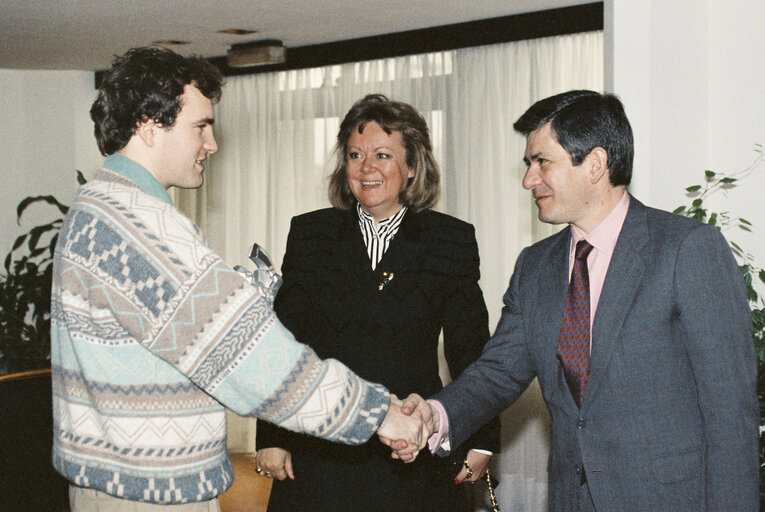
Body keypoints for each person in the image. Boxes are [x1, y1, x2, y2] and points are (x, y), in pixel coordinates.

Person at [50, 47, 423, 511]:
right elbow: (248, 357)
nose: (212, 144)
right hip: (146, 494)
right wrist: (378, 413)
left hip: (112, 482)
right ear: (148, 124)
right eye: (201, 126)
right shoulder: (139, 223)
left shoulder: (97, 203)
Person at [388, 90, 759, 511]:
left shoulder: (686, 249)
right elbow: (497, 373)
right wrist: (435, 414)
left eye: (542, 162)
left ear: (595, 164)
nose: (529, 179)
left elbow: (731, 417)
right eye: (528, 164)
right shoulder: (535, 266)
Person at [254, 94, 500, 512]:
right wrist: (272, 436)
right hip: (320, 449)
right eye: (354, 155)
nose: (366, 168)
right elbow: (283, 341)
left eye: (382, 155)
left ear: (411, 168)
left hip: (413, 447)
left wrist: (481, 441)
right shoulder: (311, 234)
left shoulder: (450, 239)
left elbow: (471, 350)